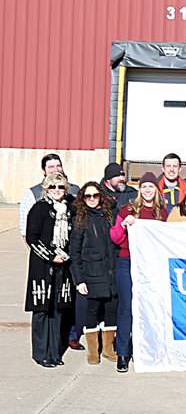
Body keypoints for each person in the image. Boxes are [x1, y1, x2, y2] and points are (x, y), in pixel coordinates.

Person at [110, 172, 166, 373]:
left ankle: (148, 348)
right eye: (144, 187)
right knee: (127, 306)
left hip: (150, 265)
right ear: (140, 190)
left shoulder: (162, 213)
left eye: (151, 187)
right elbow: (115, 238)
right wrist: (124, 225)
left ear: (156, 190)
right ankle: (123, 352)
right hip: (127, 262)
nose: (148, 190)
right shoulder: (128, 210)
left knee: (150, 306)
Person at [24, 171, 74, 368]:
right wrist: (51, 256)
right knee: (42, 309)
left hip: (64, 265)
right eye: (52, 186)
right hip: (42, 265)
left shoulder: (68, 210)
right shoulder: (40, 209)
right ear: (46, 188)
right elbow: (32, 237)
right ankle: (40, 353)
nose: (56, 190)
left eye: (60, 187)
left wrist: (66, 255)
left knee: (58, 309)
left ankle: (55, 352)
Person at [69, 182, 118, 365]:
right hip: (91, 273)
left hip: (110, 271)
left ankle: (107, 348)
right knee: (92, 311)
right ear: (83, 198)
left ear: (100, 196)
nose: (91, 199)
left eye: (95, 195)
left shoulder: (109, 216)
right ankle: (92, 351)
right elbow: (75, 253)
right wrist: (79, 279)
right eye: (87, 196)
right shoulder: (80, 220)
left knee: (111, 310)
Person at [19, 153, 79, 240]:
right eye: (51, 167)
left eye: (58, 166)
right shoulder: (33, 193)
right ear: (43, 171)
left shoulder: (74, 191)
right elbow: (26, 231)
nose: (56, 170)